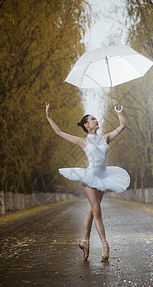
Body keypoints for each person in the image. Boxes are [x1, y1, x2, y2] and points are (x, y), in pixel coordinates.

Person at [45, 98, 130, 262]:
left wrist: (117, 109)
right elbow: (59, 133)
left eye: (95, 118)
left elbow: (122, 126)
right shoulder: (82, 141)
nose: (96, 120)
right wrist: (49, 117)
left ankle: (85, 242)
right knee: (97, 210)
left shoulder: (105, 138)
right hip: (90, 178)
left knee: (91, 210)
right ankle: (105, 245)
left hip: (104, 177)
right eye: (92, 119)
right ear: (86, 126)